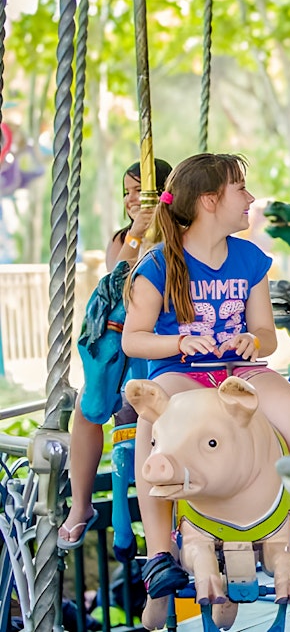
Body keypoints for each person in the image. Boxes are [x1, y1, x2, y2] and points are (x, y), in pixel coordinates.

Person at [122, 153, 290, 596]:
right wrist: (177, 342)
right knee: (152, 421)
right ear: (210, 201)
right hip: (181, 372)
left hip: (238, 369)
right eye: (240, 190)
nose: (250, 199)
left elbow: (266, 334)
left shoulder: (249, 259)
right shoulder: (157, 264)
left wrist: (254, 341)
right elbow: (133, 339)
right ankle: (158, 555)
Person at [58, 159, 173, 550]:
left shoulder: (180, 238)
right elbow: (119, 284)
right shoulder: (122, 239)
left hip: (160, 343)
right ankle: (81, 505)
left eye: (141, 192)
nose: (132, 200)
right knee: (87, 410)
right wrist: (138, 234)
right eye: (127, 192)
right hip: (122, 343)